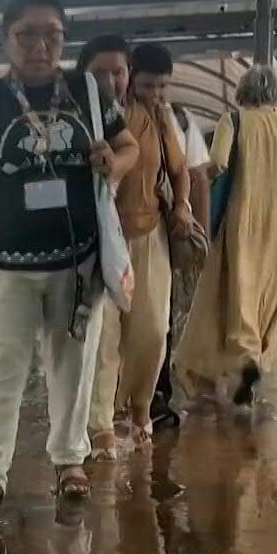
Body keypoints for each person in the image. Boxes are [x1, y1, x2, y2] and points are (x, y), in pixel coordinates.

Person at [0, 0, 139, 523]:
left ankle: (68, 462)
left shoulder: (88, 91)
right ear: (5, 40)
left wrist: (116, 161)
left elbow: (129, 146)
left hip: (76, 262)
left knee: (72, 367)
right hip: (2, 266)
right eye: (27, 35)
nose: (41, 46)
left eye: (52, 35)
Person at [173, 64, 277, 412]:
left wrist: (195, 183)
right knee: (266, 298)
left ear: (243, 92)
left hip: (242, 223)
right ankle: (247, 364)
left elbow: (217, 162)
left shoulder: (235, 121)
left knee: (226, 297)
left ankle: (242, 362)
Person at [80, 35, 200, 457]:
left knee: (150, 333)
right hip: (97, 241)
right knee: (104, 337)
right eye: (101, 73)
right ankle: (101, 427)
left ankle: (139, 410)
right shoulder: (85, 117)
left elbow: (181, 169)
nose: (153, 93)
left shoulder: (158, 118)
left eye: (118, 72)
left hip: (149, 237)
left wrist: (183, 206)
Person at [138, 45, 215, 431]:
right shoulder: (117, 119)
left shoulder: (178, 119)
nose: (156, 93)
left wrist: (197, 228)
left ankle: (158, 397)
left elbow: (196, 176)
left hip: (168, 231)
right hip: (133, 233)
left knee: (164, 316)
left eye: (163, 85)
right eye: (148, 85)